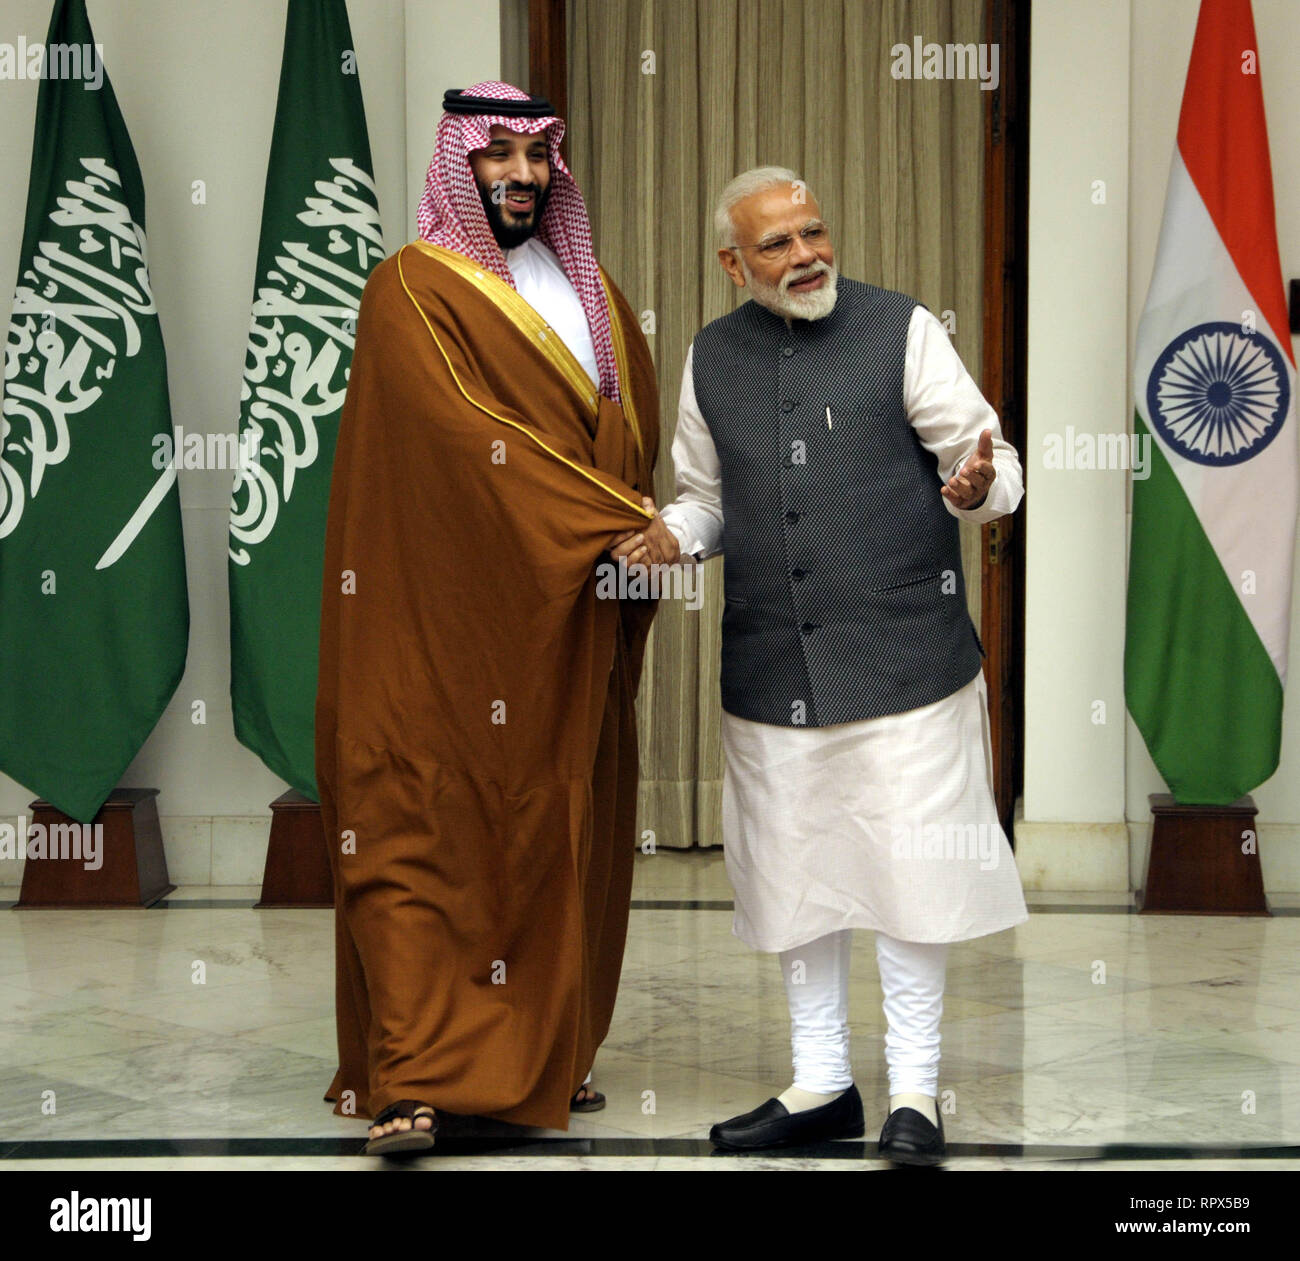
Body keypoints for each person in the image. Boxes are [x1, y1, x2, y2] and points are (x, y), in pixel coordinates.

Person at [631, 165, 1029, 1165]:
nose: (806, 254)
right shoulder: (710, 356)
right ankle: (820, 1086)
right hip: (773, 664)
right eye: (777, 243)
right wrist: (670, 538)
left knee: (909, 879)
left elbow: (996, 468)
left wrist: (976, 485)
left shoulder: (900, 329)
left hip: (905, 662)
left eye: (814, 231)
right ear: (732, 261)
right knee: (796, 877)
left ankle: (915, 1095)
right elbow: (704, 498)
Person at [316, 81, 662, 1155]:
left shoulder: (590, 291)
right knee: (421, 827)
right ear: (456, 165)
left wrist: (639, 528)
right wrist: (612, 517)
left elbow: (625, 425)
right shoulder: (409, 290)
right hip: (436, 627)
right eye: (495, 157)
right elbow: (466, 435)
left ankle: (544, 1053)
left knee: (558, 831)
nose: (520, 176)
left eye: (536, 157)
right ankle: (413, 1079)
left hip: (561, 625)